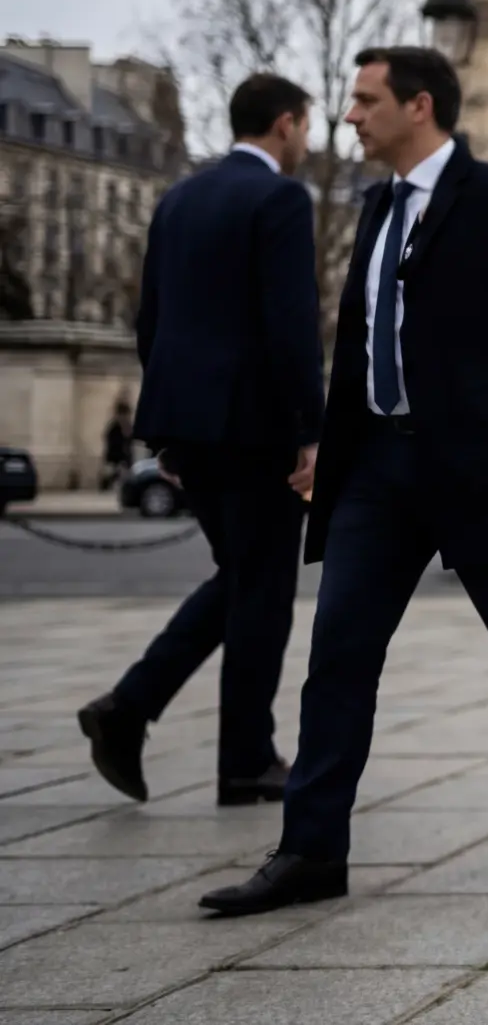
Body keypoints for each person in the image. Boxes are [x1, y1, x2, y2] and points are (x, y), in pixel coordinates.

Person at [199, 48, 488, 917]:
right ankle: (310, 849)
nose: (350, 116)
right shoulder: (374, 207)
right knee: (339, 654)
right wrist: (328, 439)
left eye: (366, 101)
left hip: (478, 468)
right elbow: (365, 340)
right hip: (379, 470)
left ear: (420, 105)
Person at [79, 75, 323, 807]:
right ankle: (244, 758)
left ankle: (130, 707)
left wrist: (168, 431)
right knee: (264, 588)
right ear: (285, 124)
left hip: (189, 421)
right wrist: (310, 432)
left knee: (242, 577)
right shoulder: (281, 198)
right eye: (306, 126)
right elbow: (291, 326)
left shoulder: (179, 196)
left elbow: (150, 321)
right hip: (256, 426)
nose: (306, 140)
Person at [100, 404, 133, 491]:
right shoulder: (114, 427)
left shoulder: (128, 427)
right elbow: (112, 443)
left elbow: (130, 441)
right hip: (115, 457)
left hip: (124, 458)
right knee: (111, 474)